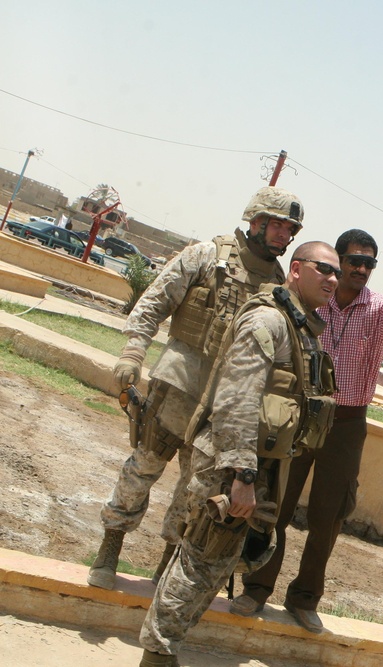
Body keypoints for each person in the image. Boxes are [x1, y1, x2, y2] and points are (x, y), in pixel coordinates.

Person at [230, 228, 383, 632]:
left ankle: (305, 599)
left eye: (369, 263)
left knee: (330, 516)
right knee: (278, 505)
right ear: (337, 261)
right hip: (299, 417)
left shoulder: (378, 310)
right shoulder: (310, 300)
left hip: (346, 425)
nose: (361, 268)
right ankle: (256, 589)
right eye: (354, 260)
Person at [88, 186, 303, 591]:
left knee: (194, 493)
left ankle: (165, 572)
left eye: (290, 229)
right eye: (277, 225)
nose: (283, 235)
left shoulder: (278, 286)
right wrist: (133, 352)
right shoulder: (208, 255)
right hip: (178, 388)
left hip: (221, 410)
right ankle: (109, 548)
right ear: (255, 220)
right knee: (142, 470)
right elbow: (154, 302)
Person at [138, 241, 340, 667]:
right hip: (231, 465)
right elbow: (237, 398)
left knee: (214, 563)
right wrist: (242, 478)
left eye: (336, 273)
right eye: (324, 269)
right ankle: (156, 656)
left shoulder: (296, 326)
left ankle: (163, 652)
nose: (333, 279)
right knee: (199, 561)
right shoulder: (268, 321)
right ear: (296, 270)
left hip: (255, 464)